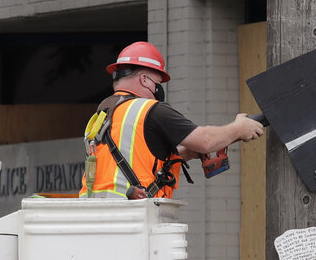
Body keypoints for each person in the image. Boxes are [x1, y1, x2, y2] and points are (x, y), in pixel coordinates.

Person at [79, 41, 264, 199]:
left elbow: (134, 160)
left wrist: (188, 153)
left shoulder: (103, 114)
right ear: (144, 80)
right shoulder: (151, 110)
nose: (159, 90)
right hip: (138, 219)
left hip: (97, 220)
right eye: (157, 83)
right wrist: (238, 128)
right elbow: (206, 141)